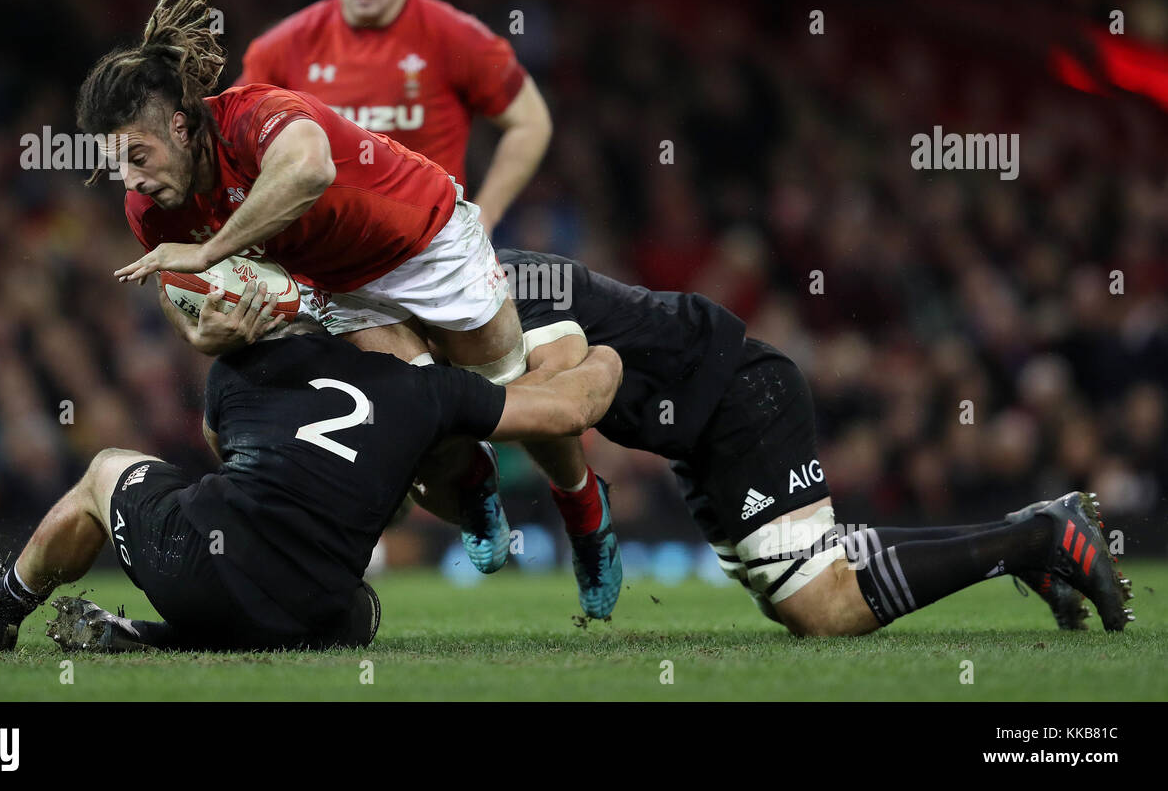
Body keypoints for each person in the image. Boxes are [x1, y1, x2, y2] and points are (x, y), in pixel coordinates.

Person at [76, 0, 620, 618]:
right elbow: (175, 284)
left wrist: (209, 250)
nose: (130, 178)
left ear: (180, 125)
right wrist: (197, 333)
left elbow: (310, 171)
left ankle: (584, 509)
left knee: (514, 395)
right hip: (341, 289)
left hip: (430, 244)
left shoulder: (254, 115)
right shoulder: (150, 207)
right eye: (117, 163)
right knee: (418, 425)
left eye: (138, 155)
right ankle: (475, 485)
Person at [409, 249, 1135, 635]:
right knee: (803, 592)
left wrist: (579, 514)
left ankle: (1044, 536)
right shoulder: (481, 287)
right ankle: (1025, 542)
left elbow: (559, 406)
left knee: (821, 605)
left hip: (739, 397)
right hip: (700, 429)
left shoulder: (505, 297)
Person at [0, 320, 623, 652]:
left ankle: (2, 603)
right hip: (313, 609)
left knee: (104, 469)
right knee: (361, 612)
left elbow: (225, 451)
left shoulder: (244, 365)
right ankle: (154, 634)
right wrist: (607, 355)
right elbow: (569, 410)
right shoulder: (432, 393)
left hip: (198, 567)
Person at [237, 0, 551, 235]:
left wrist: (483, 218)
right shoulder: (281, 46)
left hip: (430, 251)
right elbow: (234, 141)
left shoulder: (457, 38)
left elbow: (531, 122)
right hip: (317, 253)